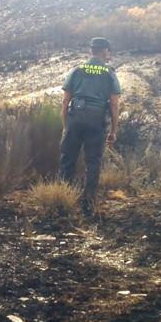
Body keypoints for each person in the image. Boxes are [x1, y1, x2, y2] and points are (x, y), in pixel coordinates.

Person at [59, 37, 121, 215]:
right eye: (109, 52)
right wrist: (114, 130)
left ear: (92, 50)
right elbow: (114, 104)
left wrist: (66, 126)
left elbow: (65, 101)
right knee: (93, 162)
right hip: (96, 118)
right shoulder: (109, 72)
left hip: (75, 117)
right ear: (105, 51)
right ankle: (88, 204)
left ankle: (63, 201)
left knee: (67, 160)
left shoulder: (77, 69)